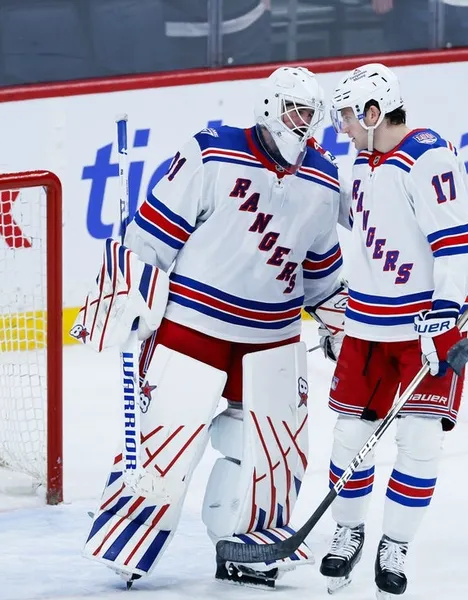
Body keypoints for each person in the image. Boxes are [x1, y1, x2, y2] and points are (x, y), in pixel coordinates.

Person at [70, 66, 344, 589]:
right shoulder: (212, 151)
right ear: (269, 107)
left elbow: (322, 273)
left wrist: (339, 327)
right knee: (168, 440)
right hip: (193, 328)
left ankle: (250, 543)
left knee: (270, 453)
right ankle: (129, 533)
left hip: (273, 339)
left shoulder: (323, 180)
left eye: (311, 115)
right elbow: (150, 235)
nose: (304, 124)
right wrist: (128, 295)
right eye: (295, 111)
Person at [318, 63, 468, 598]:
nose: (342, 127)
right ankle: (348, 531)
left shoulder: (428, 157)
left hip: (421, 329)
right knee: (349, 438)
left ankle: (395, 544)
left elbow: (460, 243)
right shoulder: (360, 163)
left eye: (348, 116)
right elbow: (353, 223)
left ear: (374, 112)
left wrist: (445, 314)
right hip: (367, 326)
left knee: (420, 441)